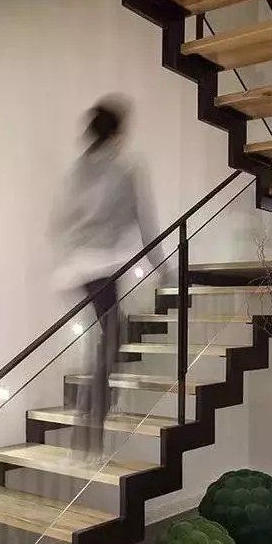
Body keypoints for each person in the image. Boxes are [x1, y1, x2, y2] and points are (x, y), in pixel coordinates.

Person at [51, 96, 164, 457]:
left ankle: (92, 412)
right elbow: (144, 222)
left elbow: (61, 220)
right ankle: (91, 424)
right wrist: (162, 267)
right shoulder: (124, 168)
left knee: (107, 337)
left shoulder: (78, 170)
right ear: (117, 133)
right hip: (102, 265)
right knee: (112, 337)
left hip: (77, 267)